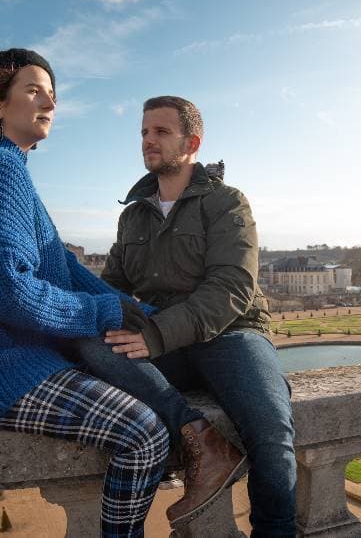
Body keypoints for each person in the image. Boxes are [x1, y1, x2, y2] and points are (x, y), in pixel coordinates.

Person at [0, 48, 170, 538]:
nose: (49, 103)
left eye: (52, 95)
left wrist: (148, 314)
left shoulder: (2, 167)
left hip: (0, 361)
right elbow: (5, 289)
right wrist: (105, 311)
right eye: (34, 90)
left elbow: (67, 273)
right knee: (143, 434)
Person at [73, 96, 297, 536]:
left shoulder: (227, 202)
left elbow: (232, 288)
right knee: (89, 343)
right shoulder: (133, 214)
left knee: (272, 434)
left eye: (160, 132)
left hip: (230, 334)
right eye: (143, 132)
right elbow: (113, 287)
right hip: (161, 339)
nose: (147, 141)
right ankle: (200, 438)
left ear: (191, 142)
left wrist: (154, 335)